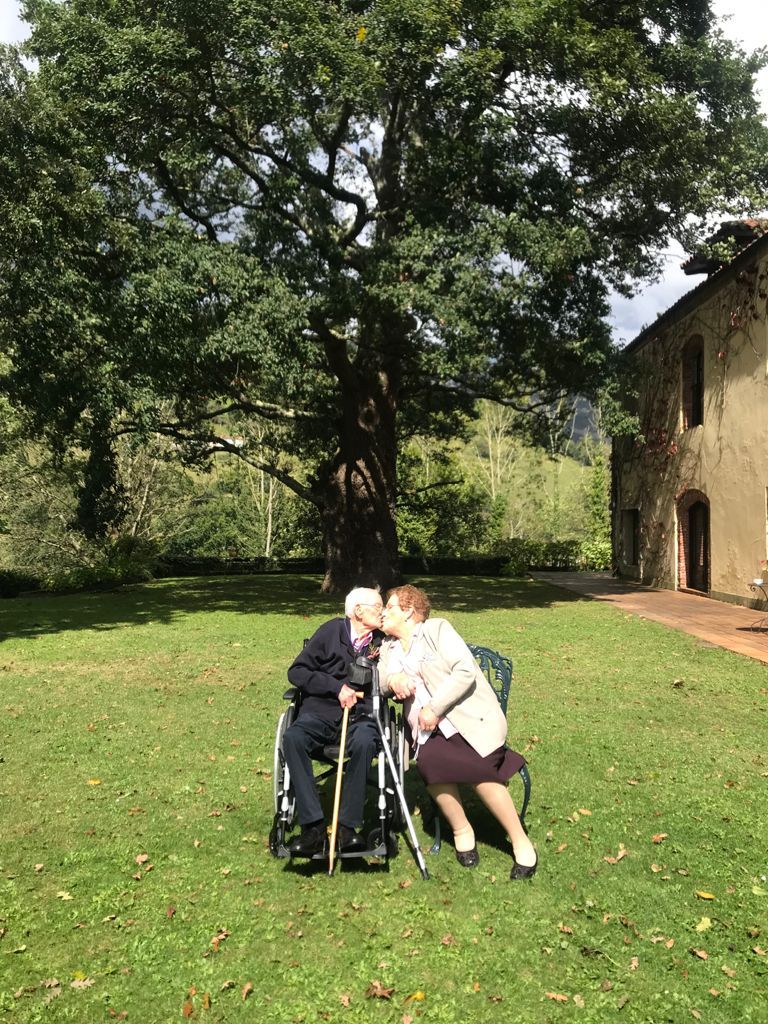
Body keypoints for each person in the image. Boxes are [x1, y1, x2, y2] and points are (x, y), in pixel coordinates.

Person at [379, 585, 537, 879]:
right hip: (428, 734)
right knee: (429, 763)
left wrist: (435, 708)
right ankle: (462, 829)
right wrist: (393, 679)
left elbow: (464, 670)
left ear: (410, 612)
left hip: (469, 720)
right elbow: (380, 683)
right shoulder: (388, 647)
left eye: (389, 607)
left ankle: (520, 840)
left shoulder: (436, 630)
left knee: (477, 769)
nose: (383, 612)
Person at [282, 587, 384, 857]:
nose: (382, 611)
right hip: (320, 712)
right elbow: (297, 671)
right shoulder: (330, 632)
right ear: (358, 611)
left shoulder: (383, 642)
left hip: (361, 716)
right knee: (293, 738)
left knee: (364, 741)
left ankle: (348, 828)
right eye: (378, 606)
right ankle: (313, 828)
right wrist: (336, 687)